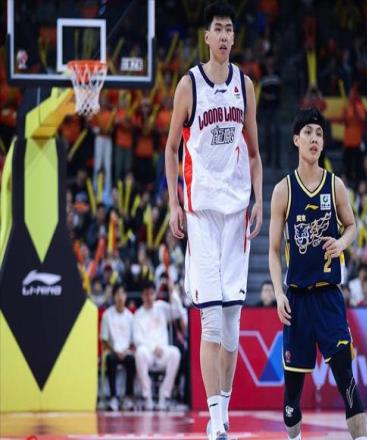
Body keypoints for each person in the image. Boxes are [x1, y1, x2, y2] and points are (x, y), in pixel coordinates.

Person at [164, 2, 263, 438]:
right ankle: (216, 419)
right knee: (211, 321)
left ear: (234, 38)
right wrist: (173, 203)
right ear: (206, 37)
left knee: (234, 323)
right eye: (217, 29)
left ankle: (223, 408)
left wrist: (258, 199)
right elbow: (171, 149)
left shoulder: (245, 85)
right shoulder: (189, 85)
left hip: (237, 213)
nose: (224, 36)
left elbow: (255, 154)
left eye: (229, 29)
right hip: (202, 214)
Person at [269, 108, 367, 440]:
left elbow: (352, 226)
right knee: (291, 399)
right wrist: (278, 293)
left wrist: (341, 243)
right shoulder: (283, 190)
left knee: (347, 383)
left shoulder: (335, 185)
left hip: (328, 297)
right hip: (297, 301)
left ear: (323, 143)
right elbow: (272, 250)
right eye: (308, 133)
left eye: (320, 134)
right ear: (296, 140)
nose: (314, 139)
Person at [133, 281, 183, 411]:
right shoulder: (138, 314)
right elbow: (137, 339)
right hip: (148, 353)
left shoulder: (161, 307)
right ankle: (147, 396)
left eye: (151, 294)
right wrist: (152, 348)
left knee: (175, 353)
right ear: (142, 295)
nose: (149, 297)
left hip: (163, 352)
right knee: (139, 352)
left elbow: (178, 311)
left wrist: (173, 293)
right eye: (146, 294)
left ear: (155, 294)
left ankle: (164, 395)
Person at [100, 284, 135, 411]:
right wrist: (115, 351)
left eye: (122, 293)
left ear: (125, 296)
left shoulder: (130, 317)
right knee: (111, 359)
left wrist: (125, 351)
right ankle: (113, 397)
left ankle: (128, 397)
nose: (120, 297)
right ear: (114, 296)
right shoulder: (107, 315)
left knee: (132, 360)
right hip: (112, 351)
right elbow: (104, 340)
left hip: (126, 351)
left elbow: (133, 342)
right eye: (117, 294)